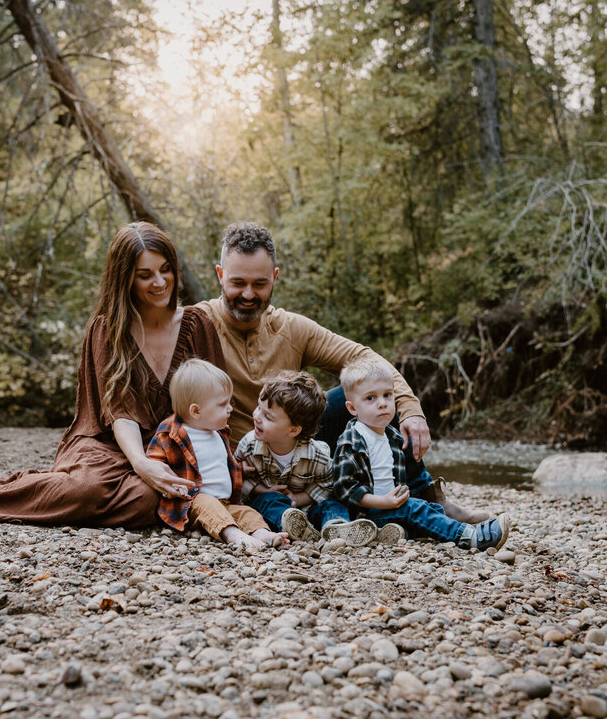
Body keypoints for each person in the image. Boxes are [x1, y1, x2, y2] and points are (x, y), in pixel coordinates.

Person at [0, 222, 222, 527]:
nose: (159, 282)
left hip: (172, 447)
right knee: (87, 491)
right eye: (145, 275)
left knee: (147, 503)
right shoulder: (107, 330)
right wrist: (141, 464)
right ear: (125, 279)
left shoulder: (196, 324)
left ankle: (103, 491)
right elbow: (119, 412)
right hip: (107, 445)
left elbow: (214, 402)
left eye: (165, 270)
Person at [194, 222, 488, 525]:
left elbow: (364, 358)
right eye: (237, 282)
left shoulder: (292, 328)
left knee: (375, 395)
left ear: (275, 278)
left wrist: (411, 409)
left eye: (259, 284)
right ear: (219, 275)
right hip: (244, 456)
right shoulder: (197, 324)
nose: (248, 294)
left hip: (298, 446)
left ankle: (425, 497)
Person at [330, 355, 511, 551]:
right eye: (370, 398)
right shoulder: (353, 439)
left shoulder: (391, 434)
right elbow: (344, 488)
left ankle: (388, 533)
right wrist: (383, 502)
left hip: (389, 507)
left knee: (433, 509)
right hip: (366, 514)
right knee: (417, 509)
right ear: (352, 408)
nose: (382, 403)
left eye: (387, 395)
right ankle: (470, 537)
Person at [148, 359, 285, 551]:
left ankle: (261, 533)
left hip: (226, 502)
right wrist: (172, 483)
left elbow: (218, 463)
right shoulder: (171, 433)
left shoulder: (218, 431)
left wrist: (240, 469)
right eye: (222, 404)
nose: (230, 408)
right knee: (208, 505)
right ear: (196, 411)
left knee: (246, 512)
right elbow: (154, 463)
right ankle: (233, 534)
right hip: (193, 503)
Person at [234, 371, 378, 547]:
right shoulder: (249, 446)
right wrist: (261, 489)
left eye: (267, 416)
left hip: (308, 506)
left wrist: (299, 498)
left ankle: (338, 527)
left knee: (332, 505)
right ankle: (296, 527)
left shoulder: (317, 455)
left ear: (293, 430)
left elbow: (326, 486)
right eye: (259, 407)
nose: (256, 416)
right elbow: (238, 476)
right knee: (268, 502)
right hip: (272, 505)